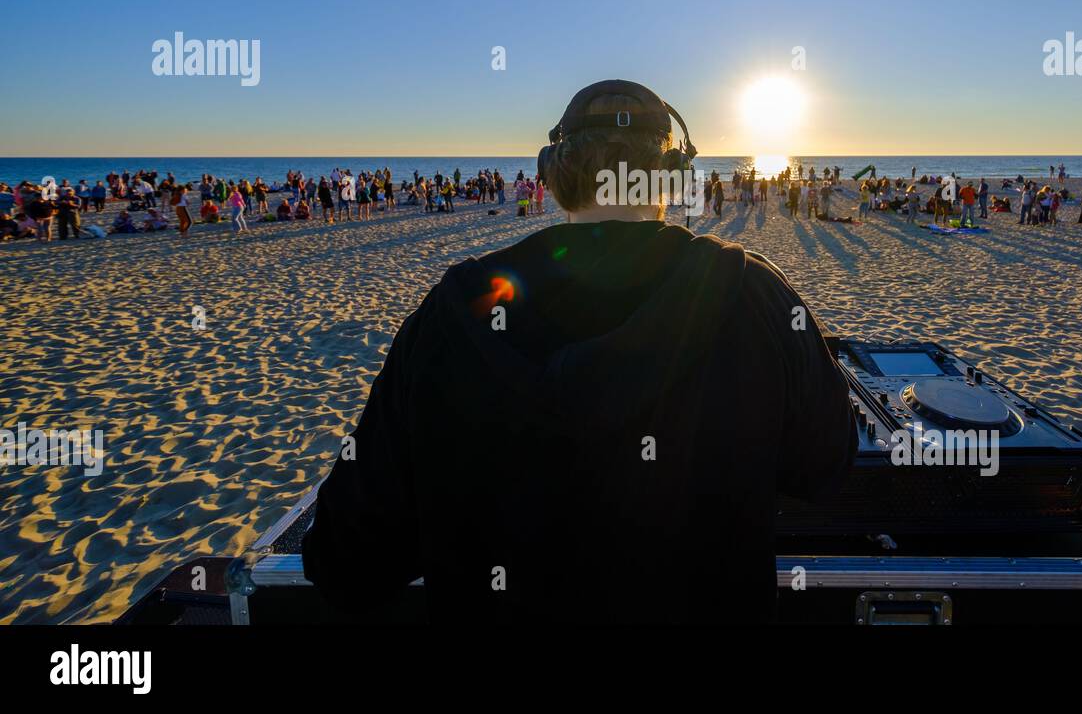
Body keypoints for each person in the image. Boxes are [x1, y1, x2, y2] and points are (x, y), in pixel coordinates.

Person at [302, 80, 857, 624]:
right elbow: (825, 467)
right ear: (672, 180)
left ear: (552, 174)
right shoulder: (755, 295)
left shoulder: (452, 313)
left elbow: (347, 565)